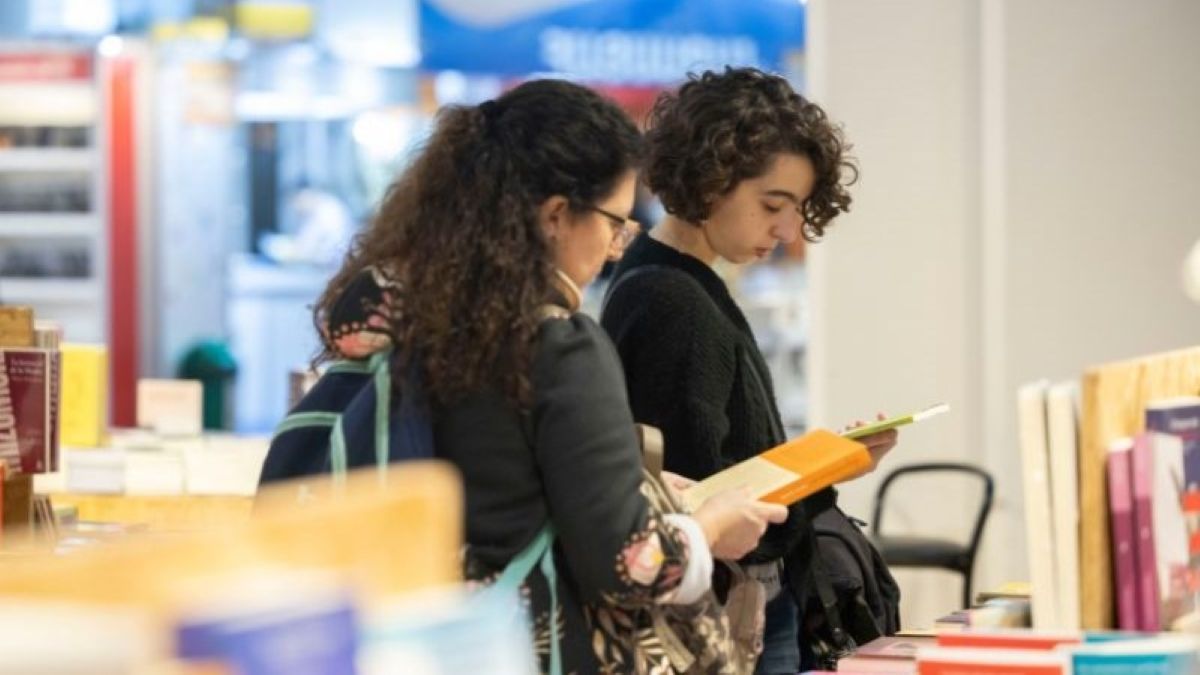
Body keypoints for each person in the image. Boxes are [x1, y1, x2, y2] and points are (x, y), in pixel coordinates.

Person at [311, 79, 788, 674]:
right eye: (615, 223)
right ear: (558, 216)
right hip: (523, 650)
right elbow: (629, 566)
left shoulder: (401, 330)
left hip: (399, 643)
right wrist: (709, 529)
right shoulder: (555, 345)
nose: (616, 248)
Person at [600, 67, 900, 674]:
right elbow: (707, 496)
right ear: (711, 180)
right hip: (732, 612)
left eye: (796, 209)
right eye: (773, 205)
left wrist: (830, 461)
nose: (788, 230)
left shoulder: (674, 282)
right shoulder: (672, 300)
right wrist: (815, 477)